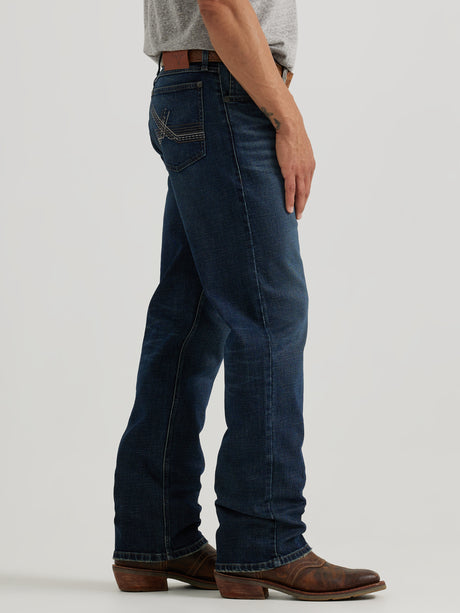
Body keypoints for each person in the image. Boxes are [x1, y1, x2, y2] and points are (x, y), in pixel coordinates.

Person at [112, 0, 386, 601]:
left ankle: (153, 534)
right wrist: (287, 116)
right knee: (270, 316)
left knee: (188, 317)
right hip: (228, 92)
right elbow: (223, 4)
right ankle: (265, 538)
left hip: (193, 89)